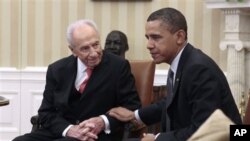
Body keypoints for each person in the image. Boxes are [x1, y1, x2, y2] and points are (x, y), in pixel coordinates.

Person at [108, 7, 242, 141]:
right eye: (148, 38)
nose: (149, 45)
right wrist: (135, 116)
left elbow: (204, 131)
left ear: (179, 37)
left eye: (155, 37)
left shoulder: (199, 70)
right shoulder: (181, 62)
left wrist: (157, 139)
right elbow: (172, 103)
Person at [12, 19, 141, 141]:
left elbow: (132, 106)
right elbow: (46, 112)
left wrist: (103, 121)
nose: (94, 53)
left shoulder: (118, 66)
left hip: (96, 135)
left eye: (96, 45)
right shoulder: (57, 70)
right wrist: (69, 129)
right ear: (72, 50)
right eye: (85, 48)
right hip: (63, 130)